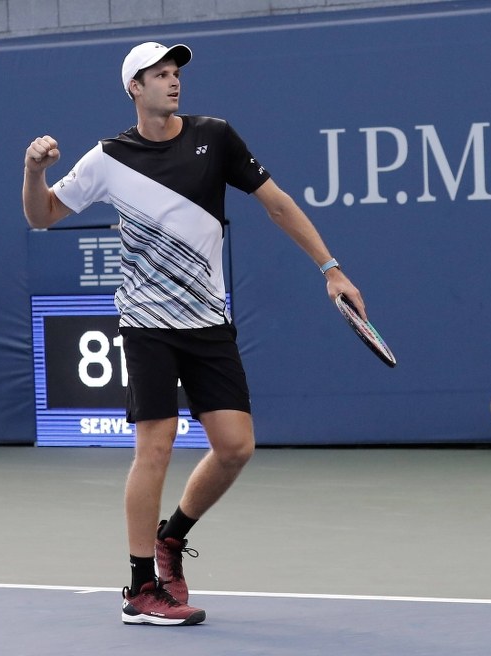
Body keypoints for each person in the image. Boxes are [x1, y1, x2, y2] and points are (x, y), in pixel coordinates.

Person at [22, 42, 367, 626]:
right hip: (146, 322)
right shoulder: (107, 157)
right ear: (135, 87)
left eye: (176, 72)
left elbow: (276, 204)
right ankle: (139, 589)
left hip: (208, 319)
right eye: (159, 74)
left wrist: (329, 268)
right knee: (153, 446)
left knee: (235, 447)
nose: (173, 81)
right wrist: (35, 171)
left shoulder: (216, 136)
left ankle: (172, 538)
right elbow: (42, 216)